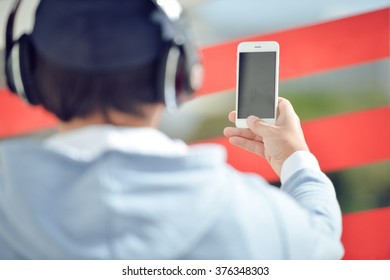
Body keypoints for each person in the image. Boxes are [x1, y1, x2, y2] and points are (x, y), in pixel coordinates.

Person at [0, 0, 343, 259]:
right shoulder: (258, 219)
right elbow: (323, 247)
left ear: (26, 73)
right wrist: (296, 162)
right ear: (181, 72)